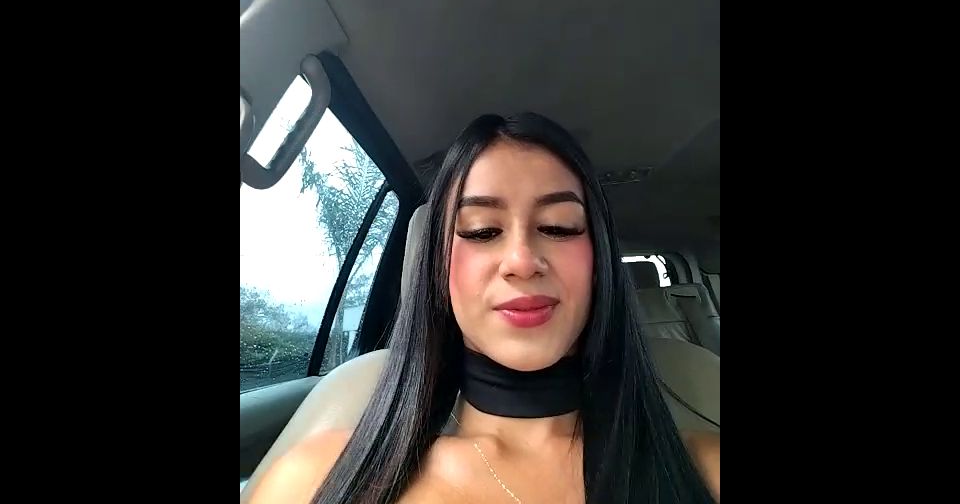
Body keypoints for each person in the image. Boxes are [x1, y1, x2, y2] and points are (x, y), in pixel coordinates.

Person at [248, 112, 720, 503]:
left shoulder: (708, 471)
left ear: (599, 263)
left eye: (558, 227)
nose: (522, 261)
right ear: (438, 268)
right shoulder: (313, 479)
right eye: (481, 231)